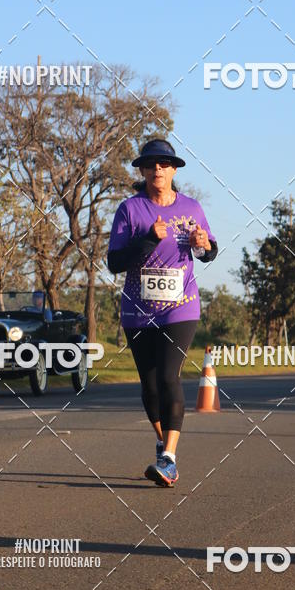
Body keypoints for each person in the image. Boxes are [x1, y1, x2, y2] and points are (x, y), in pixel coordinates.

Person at [107, 139, 218, 486]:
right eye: (152, 163)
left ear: (174, 170)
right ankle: (161, 440)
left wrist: (205, 246)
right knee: (150, 385)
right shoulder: (130, 210)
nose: (159, 169)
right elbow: (114, 262)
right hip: (138, 310)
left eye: (165, 163)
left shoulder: (192, 208)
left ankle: (169, 458)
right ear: (142, 170)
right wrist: (149, 240)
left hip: (181, 308)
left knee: (170, 378)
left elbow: (209, 252)